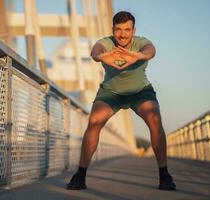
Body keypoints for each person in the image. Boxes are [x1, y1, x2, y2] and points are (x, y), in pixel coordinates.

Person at [67, 11, 176, 191]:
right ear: (113, 30)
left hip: (140, 92)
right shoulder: (106, 43)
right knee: (94, 122)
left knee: (155, 120)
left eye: (127, 29)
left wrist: (138, 56)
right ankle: (80, 175)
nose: (123, 34)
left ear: (133, 30)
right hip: (111, 93)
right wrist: (102, 57)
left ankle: (164, 174)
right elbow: (95, 52)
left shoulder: (141, 42)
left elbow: (151, 51)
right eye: (118, 30)